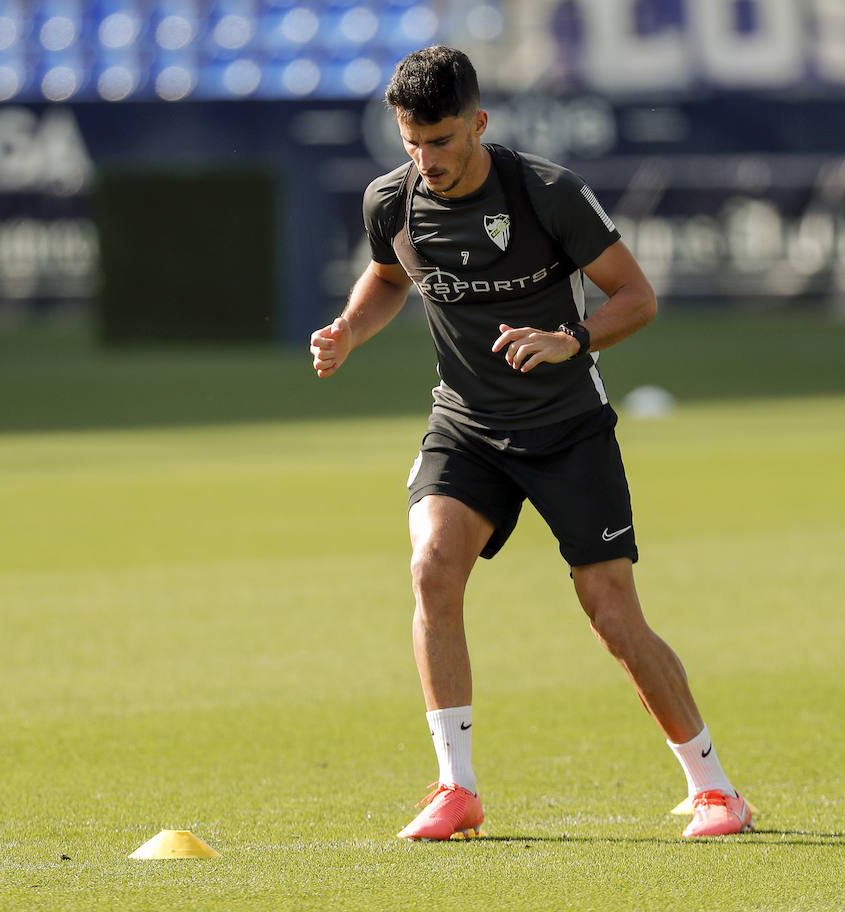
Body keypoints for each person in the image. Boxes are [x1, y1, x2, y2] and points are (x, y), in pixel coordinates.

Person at [309, 46, 753, 841]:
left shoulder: (547, 194)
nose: (426, 160)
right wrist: (349, 330)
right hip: (467, 426)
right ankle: (456, 787)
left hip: (566, 428)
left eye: (442, 141)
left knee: (610, 614)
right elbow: (388, 276)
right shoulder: (393, 201)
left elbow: (638, 297)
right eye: (411, 142)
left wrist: (571, 339)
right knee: (431, 567)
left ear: (479, 123)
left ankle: (715, 788)